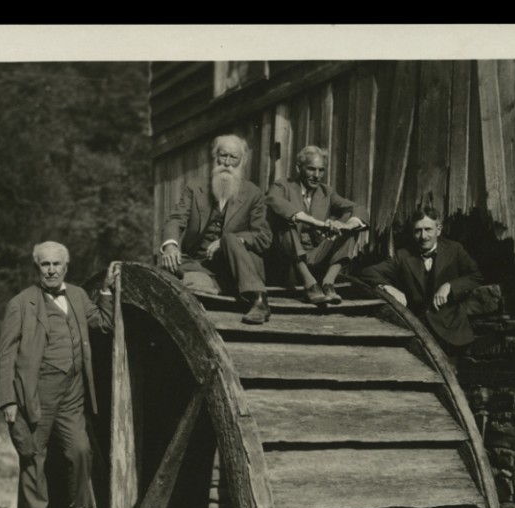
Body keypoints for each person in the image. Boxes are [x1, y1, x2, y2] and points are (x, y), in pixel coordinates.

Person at [0, 242, 120, 508]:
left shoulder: (78, 295)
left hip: (73, 391)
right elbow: (6, 355)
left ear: (66, 267)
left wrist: (106, 291)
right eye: (45, 265)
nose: (51, 270)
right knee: (33, 456)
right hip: (36, 392)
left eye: (56, 264)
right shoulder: (21, 304)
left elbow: (104, 324)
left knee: (80, 450)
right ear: (37, 268)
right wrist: (8, 400)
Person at [158, 135, 273, 324]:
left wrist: (230, 241)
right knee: (169, 261)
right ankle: (211, 283)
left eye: (233, 158)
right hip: (200, 262)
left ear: (242, 161)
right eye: (223, 156)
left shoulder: (253, 193)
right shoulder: (195, 187)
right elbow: (177, 218)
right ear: (215, 157)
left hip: (238, 266)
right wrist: (170, 245)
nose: (227, 163)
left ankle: (259, 300)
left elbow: (264, 237)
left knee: (229, 238)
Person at [359, 207, 485, 349]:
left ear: (439, 229)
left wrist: (450, 286)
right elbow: (368, 272)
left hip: (450, 330)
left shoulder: (454, 250)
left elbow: (477, 276)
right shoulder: (403, 255)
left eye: (428, 229)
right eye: (418, 231)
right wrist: (387, 287)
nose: (423, 236)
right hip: (417, 328)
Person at [265, 145, 369, 305]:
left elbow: (357, 208)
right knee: (286, 221)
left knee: (351, 221)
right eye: (311, 169)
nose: (317, 176)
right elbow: (274, 201)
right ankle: (310, 285)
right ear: (298, 168)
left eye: (321, 170)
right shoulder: (282, 186)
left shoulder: (326, 192)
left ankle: (328, 283)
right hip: (287, 262)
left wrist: (346, 226)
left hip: (315, 255)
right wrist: (317, 223)